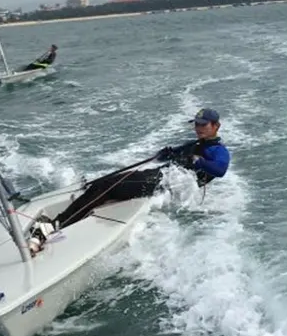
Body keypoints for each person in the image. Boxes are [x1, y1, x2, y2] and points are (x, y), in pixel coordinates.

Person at [26, 108, 231, 254]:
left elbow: (220, 170)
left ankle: (56, 225)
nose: (198, 128)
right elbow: (173, 154)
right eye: (196, 124)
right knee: (104, 183)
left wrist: (198, 160)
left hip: (162, 184)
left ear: (216, 126)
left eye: (203, 125)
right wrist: (167, 153)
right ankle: (64, 220)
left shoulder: (218, 150)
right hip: (159, 176)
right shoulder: (197, 143)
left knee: (107, 186)